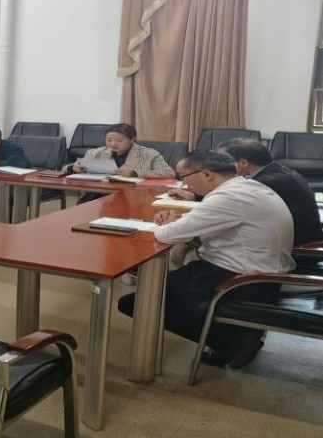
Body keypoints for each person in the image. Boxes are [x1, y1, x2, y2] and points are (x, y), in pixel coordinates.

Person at [118, 151, 295, 369]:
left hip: (239, 280)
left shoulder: (228, 198)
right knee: (165, 284)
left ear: (207, 174)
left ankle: (233, 342)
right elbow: (206, 220)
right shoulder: (247, 187)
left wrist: (169, 225)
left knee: (139, 301)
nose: (184, 184)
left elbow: (167, 235)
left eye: (184, 177)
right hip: (259, 273)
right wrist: (177, 220)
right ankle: (237, 336)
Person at [166, 138, 323, 248]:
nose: (217, 165)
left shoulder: (262, 184)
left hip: (296, 249)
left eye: (223, 161)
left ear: (242, 163)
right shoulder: (276, 172)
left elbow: (223, 207)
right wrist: (196, 197)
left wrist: (178, 219)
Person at [66, 123, 174, 178]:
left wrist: (135, 173)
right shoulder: (95, 152)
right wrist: (72, 168)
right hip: (99, 192)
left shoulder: (149, 154)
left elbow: (169, 173)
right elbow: (65, 169)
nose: (113, 144)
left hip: (133, 195)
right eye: (109, 140)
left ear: (132, 139)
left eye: (119, 140)